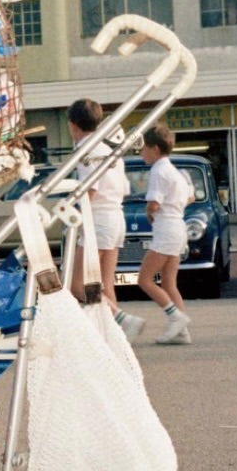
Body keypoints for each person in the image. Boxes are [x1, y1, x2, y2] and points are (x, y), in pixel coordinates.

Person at [66, 98, 143, 342]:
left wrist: (71, 210)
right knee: (105, 285)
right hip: (115, 216)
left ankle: (121, 319)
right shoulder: (109, 149)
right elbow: (123, 188)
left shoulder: (86, 150)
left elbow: (91, 188)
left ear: (72, 125)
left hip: (97, 219)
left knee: (76, 284)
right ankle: (114, 337)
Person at [135, 123, 195, 345]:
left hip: (165, 229)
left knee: (144, 279)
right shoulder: (175, 172)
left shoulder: (158, 171)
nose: (142, 152)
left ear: (155, 149)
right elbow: (189, 197)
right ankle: (182, 332)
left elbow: (153, 203)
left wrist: (149, 214)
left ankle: (175, 316)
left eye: (144, 148)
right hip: (178, 227)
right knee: (169, 282)